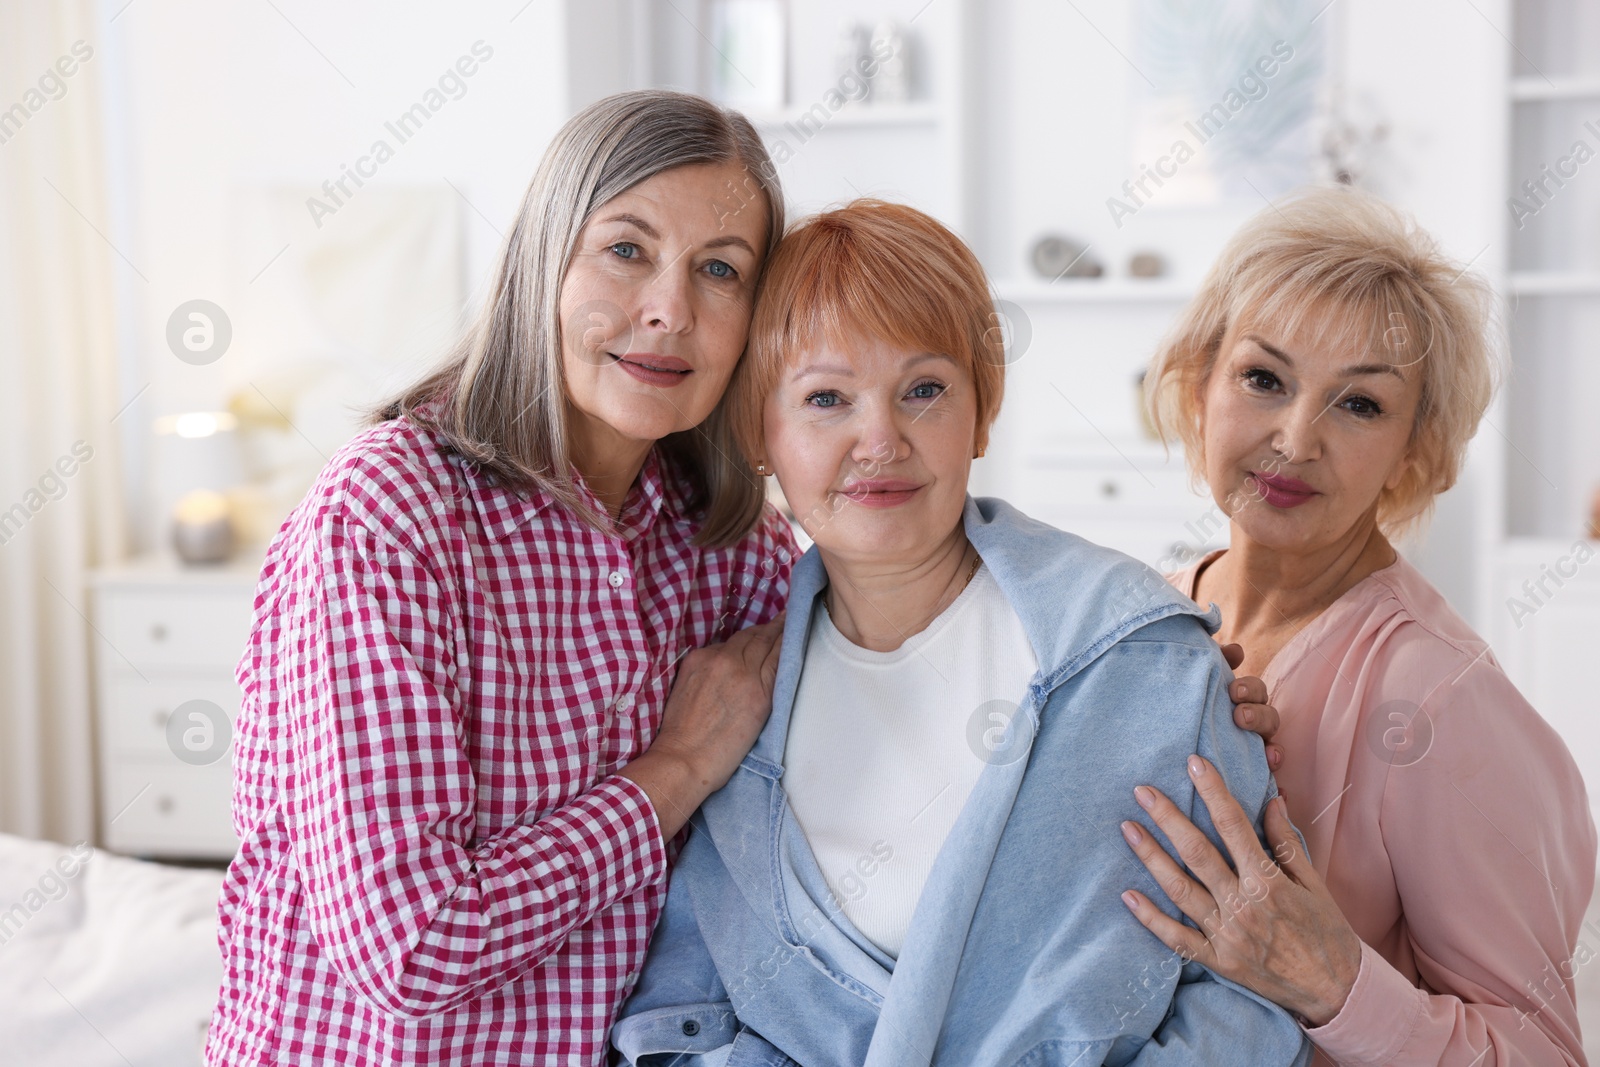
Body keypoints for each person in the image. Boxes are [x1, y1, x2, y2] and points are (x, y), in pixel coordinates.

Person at [611, 200, 1312, 1065]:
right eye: (827, 398)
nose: (880, 440)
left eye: (925, 390)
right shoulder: (733, 697)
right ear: (761, 436)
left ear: (982, 413)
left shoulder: (1138, 656)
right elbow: (682, 1011)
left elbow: (1252, 989)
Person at [207, 90, 800, 1065]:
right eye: (626, 248)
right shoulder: (390, 508)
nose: (669, 309)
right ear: (544, 259)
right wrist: (677, 772)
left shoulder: (729, 547)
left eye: (720, 270)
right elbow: (411, 944)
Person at [1121, 186, 1596, 1065]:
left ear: (1415, 450)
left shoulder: (1440, 701)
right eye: (1264, 379)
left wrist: (1335, 983)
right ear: (1197, 383)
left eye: (1360, 404)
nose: (1296, 439)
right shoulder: (1144, 613)